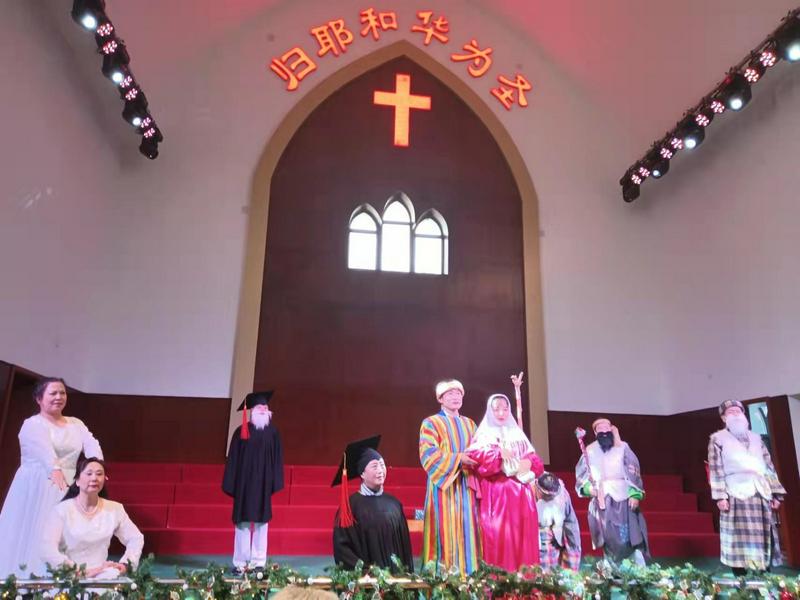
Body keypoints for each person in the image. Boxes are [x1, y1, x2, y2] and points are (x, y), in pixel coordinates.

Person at [0, 377, 103, 578]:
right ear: (39, 399)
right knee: (40, 530)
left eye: (62, 393)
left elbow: (92, 444)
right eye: (53, 393)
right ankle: (31, 578)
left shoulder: (76, 423)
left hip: (69, 481)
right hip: (39, 484)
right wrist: (59, 475)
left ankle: (70, 577)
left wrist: (97, 466)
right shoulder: (32, 424)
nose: (59, 397)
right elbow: (46, 454)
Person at [464, 374, 544, 571]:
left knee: (523, 540)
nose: (501, 412)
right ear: (490, 411)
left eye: (505, 408)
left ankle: (526, 584)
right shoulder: (483, 434)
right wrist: (499, 455)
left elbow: (536, 461)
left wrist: (528, 463)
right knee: (500, 541)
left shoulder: (517, 433)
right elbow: (476, 458)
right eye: (497, 408)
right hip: (497, 495)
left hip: (522, 497)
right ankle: (500, 585)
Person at [708, 399, 786, 575]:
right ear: (723, 417)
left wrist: (776, 494)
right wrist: (720, 496)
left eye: (738, 411)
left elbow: (769, 467)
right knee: (738, 540)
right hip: (735, 493)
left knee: (763, 538)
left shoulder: (756, 438)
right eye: (731, 412)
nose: (735, 414)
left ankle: (764, 578)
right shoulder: (717, 439)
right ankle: (741, 580)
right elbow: (715, 469)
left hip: (760, 493)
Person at [40, 458, 143, 578]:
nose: (94, 478)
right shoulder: (61, 510)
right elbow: (47, 549)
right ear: (77, 480)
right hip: (71, 576)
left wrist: (126, 564)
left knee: (111, 579)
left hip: (103, 575)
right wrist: (79, 571)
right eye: (89, 473)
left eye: (99, 474)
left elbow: (136, 538)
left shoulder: (115, 509)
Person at [418, 379, 481, 575]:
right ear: (440, 399)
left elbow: (481, 450)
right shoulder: (431, 423)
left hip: (467, 486)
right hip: (443, 487)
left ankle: (471, 578)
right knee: (444, 533)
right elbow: (428, 454)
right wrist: (459, 458)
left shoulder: (470, 424)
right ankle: (441, 581)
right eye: (450, 394)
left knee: (468, 532)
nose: (455, 397)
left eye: (458, 393)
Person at [222, 390, 285, 573]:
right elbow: (233, 459)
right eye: (260, 407)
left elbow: (277, 460)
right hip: (244, 484)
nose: (264, 409)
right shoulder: (241, 432)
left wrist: (274, 481)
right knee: (242, 523)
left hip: (263, 484)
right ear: (252, 411)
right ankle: (240, 563)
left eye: (266, 407)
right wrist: (233, 483)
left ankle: (258, 562)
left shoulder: (273, 433)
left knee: (261, 523)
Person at [331, 435, 414, 572]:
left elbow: (404, 548)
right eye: (374, 466)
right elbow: (343, 549)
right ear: (362, 474)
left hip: (396, 583)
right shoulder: (350, 507)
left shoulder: (394, 505)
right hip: (366, 583)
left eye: (382, 465)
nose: (381, 471)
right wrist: (365, 574)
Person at [575, 418, 649, 566]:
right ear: (595, 432)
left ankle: (636, 567)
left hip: (624, 496)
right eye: (600, 429)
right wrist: (589, 488)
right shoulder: (589, 451)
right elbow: (582, 476)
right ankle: (611, 565)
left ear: (611, 429)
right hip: (603, 498)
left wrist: (635, 494)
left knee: (630, 533)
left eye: (606, 428)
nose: (604, 432)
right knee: (608, 535)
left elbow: (633, 471)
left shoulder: (623, 447)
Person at [535, 471, 581, 570]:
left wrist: (573, 550)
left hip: (554, 538)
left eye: (551, 497)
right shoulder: (528, 491)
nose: (549, 499)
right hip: (534, 539)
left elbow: (571, 523)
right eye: (546, 496)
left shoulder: (562, 495)